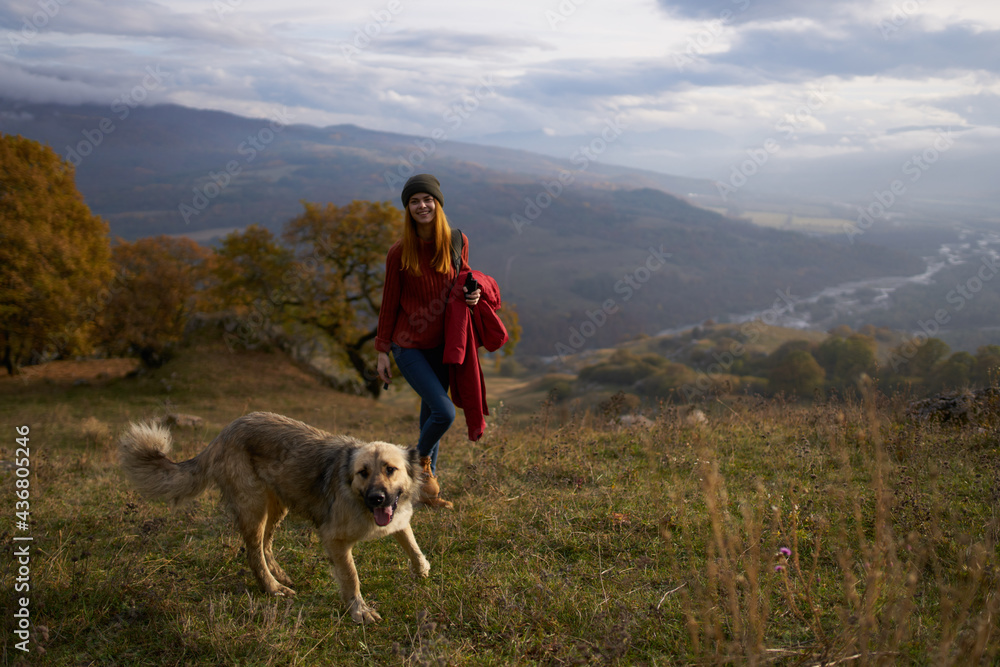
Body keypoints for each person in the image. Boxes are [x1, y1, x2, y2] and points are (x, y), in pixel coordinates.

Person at [375, 174, 480, 509]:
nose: (422, 206)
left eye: (427, 199)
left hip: (445, 345)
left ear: (438, 202)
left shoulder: (456, 240)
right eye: (414, 201)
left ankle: (422, 494)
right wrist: (382, 351)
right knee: (444, 412)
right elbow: (389, 302)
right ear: (408, 208)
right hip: (408, 345)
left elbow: (464, 281)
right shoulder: (399, 253)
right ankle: (415, 466)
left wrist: (474, 294)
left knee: (429, 417)